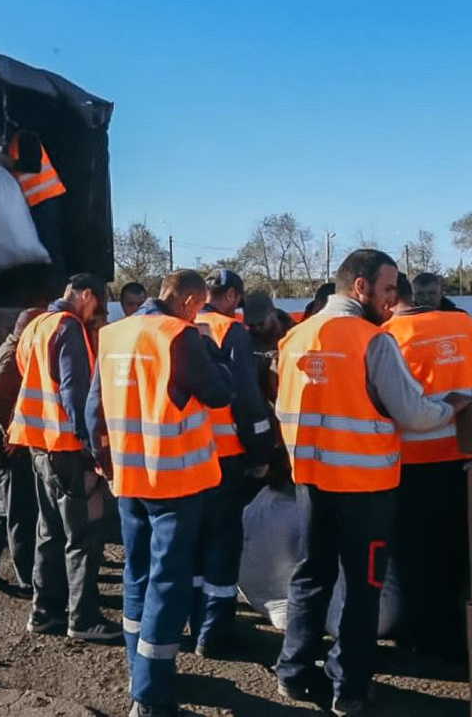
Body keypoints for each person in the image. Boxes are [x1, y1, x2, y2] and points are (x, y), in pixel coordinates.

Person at [272, 250, 472, 716]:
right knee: (364, 588)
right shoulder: (371, 341)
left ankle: (294, 671)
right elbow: (413, 414)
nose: (392, 301)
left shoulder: (295, 338)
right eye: (387, 290)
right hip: (365, 488)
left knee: (311, 576)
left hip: (311, 482)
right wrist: (452, 407)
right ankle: (349, 687)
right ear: (360, 287)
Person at [87, 269, 234, 717]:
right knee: (167, 584)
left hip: (129, 477)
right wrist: (214, 351)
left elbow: (94, 407)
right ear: (190, 301)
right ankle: (149, 697)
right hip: (175, 481)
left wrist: (105, 462)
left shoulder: (113, 334)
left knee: (138, 574)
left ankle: (141, 668)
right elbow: (219, 392)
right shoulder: (181, 337)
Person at [381, 273, 472, 659]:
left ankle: (426, 640)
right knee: (457, 552)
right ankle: (462, 635)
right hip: (463, 458)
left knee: (417, 560)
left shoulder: (387, 337)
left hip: (412, 465)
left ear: (391, 298)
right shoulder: (464, 323)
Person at [8, 273, 120, 643]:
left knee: (50, 532)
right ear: (85, 294)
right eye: (96, 305)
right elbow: (74, 392)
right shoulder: (68, 327)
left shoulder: (37, 325)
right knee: (82, 536)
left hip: (37, 445)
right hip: (66, 448)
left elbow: (27, 375)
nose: (95, 313)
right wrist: (93, 451)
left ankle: (45, 612)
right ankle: (83, 617)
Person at [189, 269, 280, 658]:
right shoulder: (231, 330)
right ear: (230, 296)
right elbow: (245, 399)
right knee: (222, 544)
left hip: (187, 455)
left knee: (192, 543)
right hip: (225, 458)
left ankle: (194, 621)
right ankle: (214, 631)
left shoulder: (182, 325)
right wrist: (262, 453)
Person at [0, 307, 45, 596]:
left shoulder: (7, 349)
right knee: (20, 515)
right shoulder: (11, 357)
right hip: (5, 448)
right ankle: (28, 580)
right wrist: (12, 434)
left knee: (4, 508)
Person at [3, 131, 68, 292]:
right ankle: (43, 289)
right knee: (41, 247)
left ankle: (56, 290)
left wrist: (7, 163)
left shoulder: (25, 137)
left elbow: (33, 165)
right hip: (37, 201)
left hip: (45, 198)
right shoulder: (13, 145)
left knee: (49, 246)